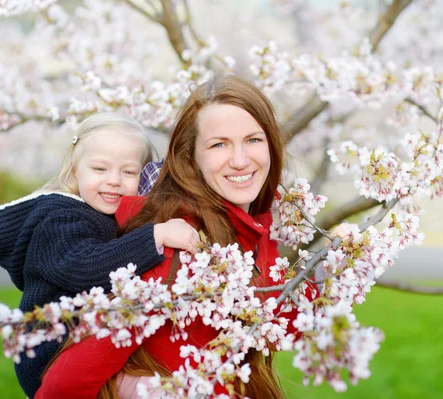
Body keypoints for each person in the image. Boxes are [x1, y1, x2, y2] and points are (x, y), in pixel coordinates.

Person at [36, 75, 313, 399]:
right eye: (218, 144)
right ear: (190, 158)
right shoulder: (181, 245)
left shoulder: (251, 226)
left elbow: (264, 328)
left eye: (253, 140)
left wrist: (327, 276)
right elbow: (61, 387)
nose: (240, 160)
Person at [0, 113, 199, 398]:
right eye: (99, 169)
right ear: (74, 171)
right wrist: (154, 236)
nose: (114, 181)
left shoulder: (102, 215)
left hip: (88, 338)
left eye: (129, 172)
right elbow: (84, 268)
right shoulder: (58, 218)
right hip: (50, 351)